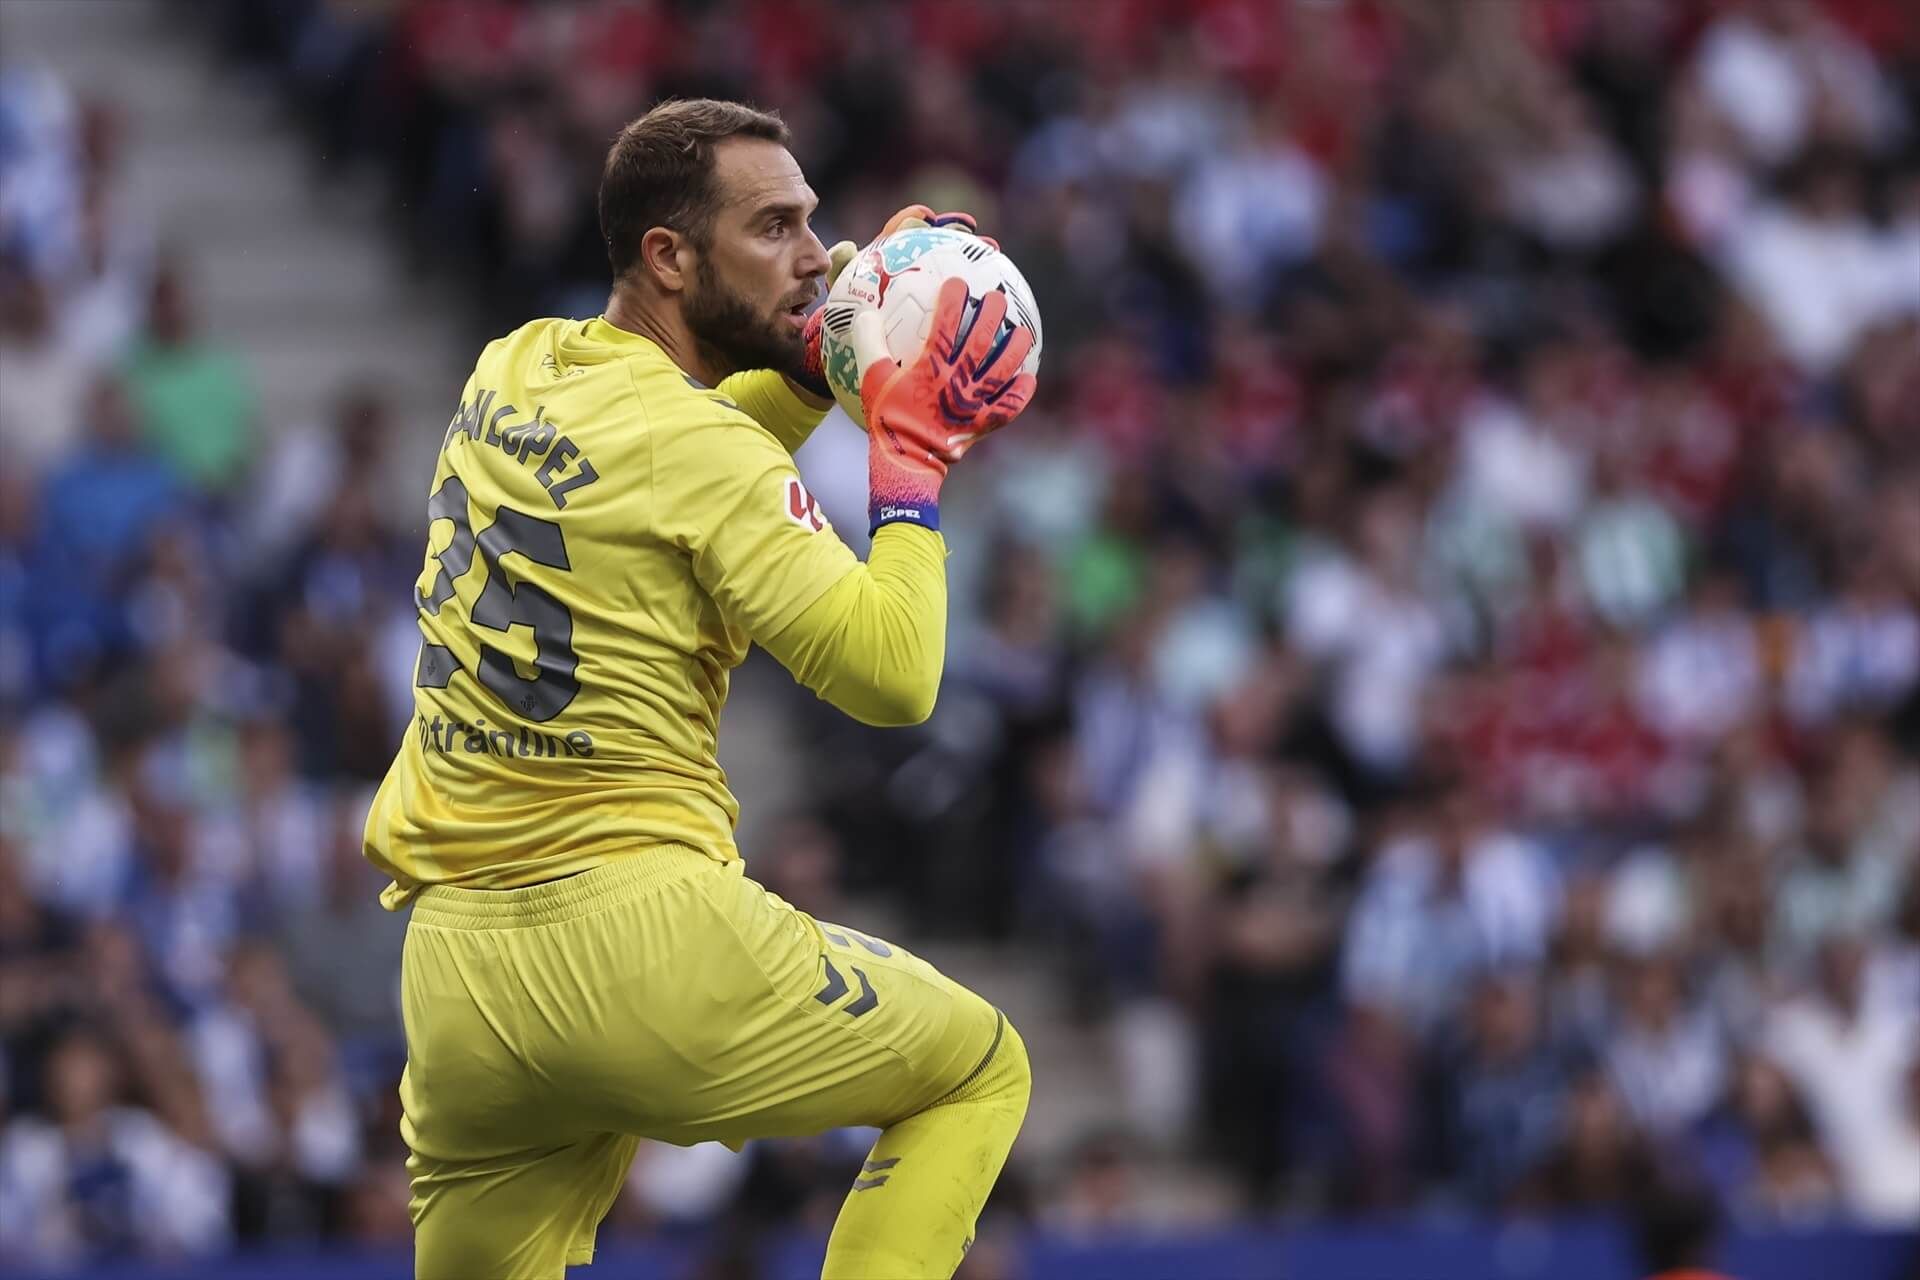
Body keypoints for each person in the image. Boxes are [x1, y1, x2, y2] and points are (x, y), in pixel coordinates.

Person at [361, 98, 1037, 1280]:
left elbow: (687, 442)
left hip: (457, 973)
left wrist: (832, 354)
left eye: (813, 222)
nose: (818, 255)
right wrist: (911, 458)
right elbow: (893, 675)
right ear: (670, 256)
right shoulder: (703, 453)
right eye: (773, 227)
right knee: (979, 1068)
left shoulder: (514, 368)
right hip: (638, 945)